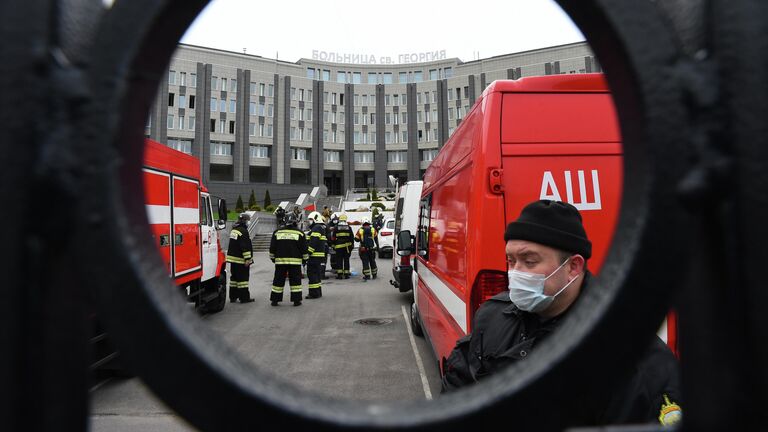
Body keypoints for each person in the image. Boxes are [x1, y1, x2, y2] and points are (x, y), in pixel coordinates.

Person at [440, 200, 682, 427]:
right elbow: (460, 383)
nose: (515, 273)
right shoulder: (494, 315)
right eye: (511, 261)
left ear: (573, 267)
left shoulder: (633, 355)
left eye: (529, 261)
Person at [268, 213, 308, 306]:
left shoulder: (277, 232)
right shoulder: (300, 233)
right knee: (295, 282)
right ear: (295, 221)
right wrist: (305, 260)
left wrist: (273, 258)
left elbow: (272, 247)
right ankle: (296, 300)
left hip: (280, 262)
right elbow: (304, 248)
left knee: (278, 280)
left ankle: (275, 300)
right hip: (295, 262)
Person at [226, 213, 255, 303]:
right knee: (243, 280)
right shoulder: (243, 231)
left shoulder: (234, 230)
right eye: (248, 220)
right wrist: (247, 259)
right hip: (240, 260)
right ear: (245, 221)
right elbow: (245, 247)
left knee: (234, 279)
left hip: (233, 259)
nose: (249, 222)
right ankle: (244, 298)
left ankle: (233, 297)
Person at [305, 211, 327, 299]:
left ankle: (313, 294)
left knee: (312, 274)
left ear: (315, 219)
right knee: (317, 274)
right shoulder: (320, 227)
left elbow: (313, 242)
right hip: (318, 256)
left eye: (310, 220)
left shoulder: (316, 228)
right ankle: (318, 292)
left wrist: (308, 253)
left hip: (314, 256)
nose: (309, 222)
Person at [331, 214, 354, 279]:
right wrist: (352, 246)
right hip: (347, 247)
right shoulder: (349, 227)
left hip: (338, 247)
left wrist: (333, 245)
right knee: (346, 260)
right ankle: (346, 274)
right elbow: (351, 237)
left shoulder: (336, 227)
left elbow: (333, 238)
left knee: (339, 260)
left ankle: (340, 275)